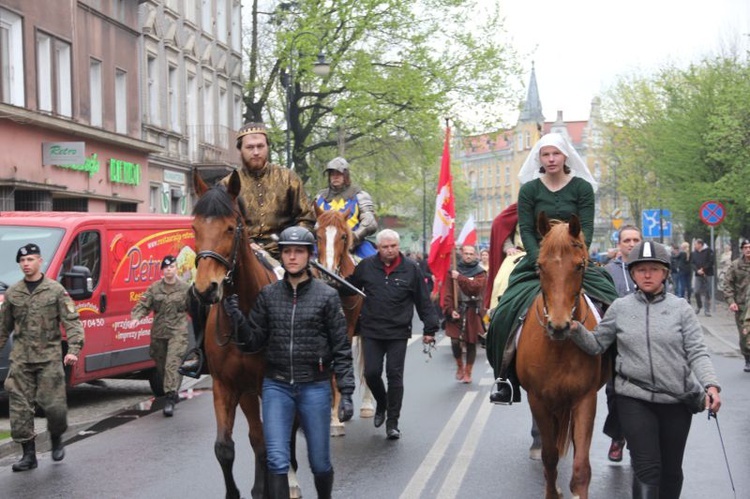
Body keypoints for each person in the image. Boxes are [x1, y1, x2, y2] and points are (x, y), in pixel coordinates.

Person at [569, 241, 722, 498]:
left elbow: (697, 351)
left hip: (676, 399)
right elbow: (597, 345)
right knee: (647, 469)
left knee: (671, 471)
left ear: (665, 273)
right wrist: (574, 330)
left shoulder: (681, 309)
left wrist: (711, 385)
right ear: (632, 274)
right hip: (634, 398)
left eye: (654, 269)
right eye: (641, 270)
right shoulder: (620, 308)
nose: (647, 274)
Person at [222, 226, 354, 499]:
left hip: (315, 387)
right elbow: (254, 342)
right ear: (280, 256)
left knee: (319, 463)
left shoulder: (326, 297)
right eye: (287, 252)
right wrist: (238, 321)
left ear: (309, 255)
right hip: (277, 387)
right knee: (277, 461)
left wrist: (347, 390)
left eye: (299, 252)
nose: (292, 257)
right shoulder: (268, 295)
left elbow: (341, 348)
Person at [487, 133, 618, 405]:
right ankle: (505, 376)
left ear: (565, 156)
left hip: (574, 257)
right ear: (539, 159)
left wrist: (575, 256)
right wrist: (540, 260)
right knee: (506, 310)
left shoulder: (581, 188)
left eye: (555, 154)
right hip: (540, 259)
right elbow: (525, 227)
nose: (551, 159)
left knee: (613, 301)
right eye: (545, 155)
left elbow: (587, 227)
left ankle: (618, 367)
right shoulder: (530, 190)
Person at [180, 122, 316, 376]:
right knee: (196, 294)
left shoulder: (288, 178)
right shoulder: (226, 184)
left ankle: (312, 351)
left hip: (282, 252)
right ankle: (201, 352)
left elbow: (307, 219)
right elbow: (217, 224)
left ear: (268, 148)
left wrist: (288, 243)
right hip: (239, 254)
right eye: (250, 147)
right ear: (240, 150)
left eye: (260, 146)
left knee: (314, 287)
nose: (256, 152)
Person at [0, 243, 84, 471]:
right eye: (22, 261)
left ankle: (56, 436)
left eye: (30, 260)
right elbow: (3, 328)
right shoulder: (13, 293)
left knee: (55, 408)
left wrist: (74, 350)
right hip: (21, 361)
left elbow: (72, 322)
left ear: (40, 261)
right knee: (19, 411)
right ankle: (29, 455)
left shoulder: (55, 291)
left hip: (48, 360)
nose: (26, 264)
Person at [347, 229, 439, 439]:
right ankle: (382, 402)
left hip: (398, 332)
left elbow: (423, 301)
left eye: (393, 246)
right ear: (378, 248)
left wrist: (429, 329)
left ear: (398, 246)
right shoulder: (366, 266)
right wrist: (333, 283)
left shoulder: (411, 269)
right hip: (371, 330)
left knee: (394, 376)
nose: (389, 250)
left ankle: (392, 422)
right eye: (385, 247)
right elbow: (351, 288)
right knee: (371, 373)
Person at [130, 255, 191, 417]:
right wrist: (136, 318)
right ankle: (173, 390)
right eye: (166, 268)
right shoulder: (155, 288)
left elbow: (195, 308)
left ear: (176, 269)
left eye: (171, 267)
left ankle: (170, 398)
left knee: (172, 363)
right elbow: (143, 305)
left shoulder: (185, 288)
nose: (169, 270)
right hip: (159, 333)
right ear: (162, 270)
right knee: (162, 365)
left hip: (178, 332)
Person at [601, 225, 642, 462]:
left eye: (636, 239)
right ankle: (617, 437)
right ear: (619, 244)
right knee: (614, 392)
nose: (631, 243)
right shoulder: (608, 271)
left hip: (645, 343)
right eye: (627, 239)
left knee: (642, 394)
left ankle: (639, 442)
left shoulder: (650, 268)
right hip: (616, 343)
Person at [314, 156, 378, 258]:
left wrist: (355, 236)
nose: (335, 177)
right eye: (332, 174)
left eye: (338, 174)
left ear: (346, 175)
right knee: (305, 262)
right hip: (323, 243)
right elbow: (310, 221)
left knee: (374, 262)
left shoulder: (360, 196)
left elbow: (370, 222)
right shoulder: (320, 198)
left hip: (355, 244)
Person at [443, 245, 487, 384]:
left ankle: (468, 370)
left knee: (471, 342)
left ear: (475, 255)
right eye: (466, 253)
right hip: (458, 309)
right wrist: (450, 310)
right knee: (455, 341)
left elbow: (475, 288)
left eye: (471, 253)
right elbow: (448, 292)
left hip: (472, 310)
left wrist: (460, 278)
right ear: (462, 254)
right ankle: (459, 366)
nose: (468, 256)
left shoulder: (480, 272)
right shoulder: (453, 271)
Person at [722, 238, 750, 372]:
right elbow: (727, 284)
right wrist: (731, 302)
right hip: (742, 305)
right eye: (746, 247)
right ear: (742, 249)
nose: (748, 250)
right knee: (745, 334)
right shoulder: (736, 265)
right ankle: (748, 358)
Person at [691, 238, 714, 316]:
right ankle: (699, 305)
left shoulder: (709, 251)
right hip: (698, 274)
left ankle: (707, 310)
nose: (695, 246)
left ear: (700, 244)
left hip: (707, 274)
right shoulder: (694, 253)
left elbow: (711, 262)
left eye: (696, 244)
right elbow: (692, 263)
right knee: (696, 291)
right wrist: (697, 270)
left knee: (707, 292)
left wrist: (703, 269)